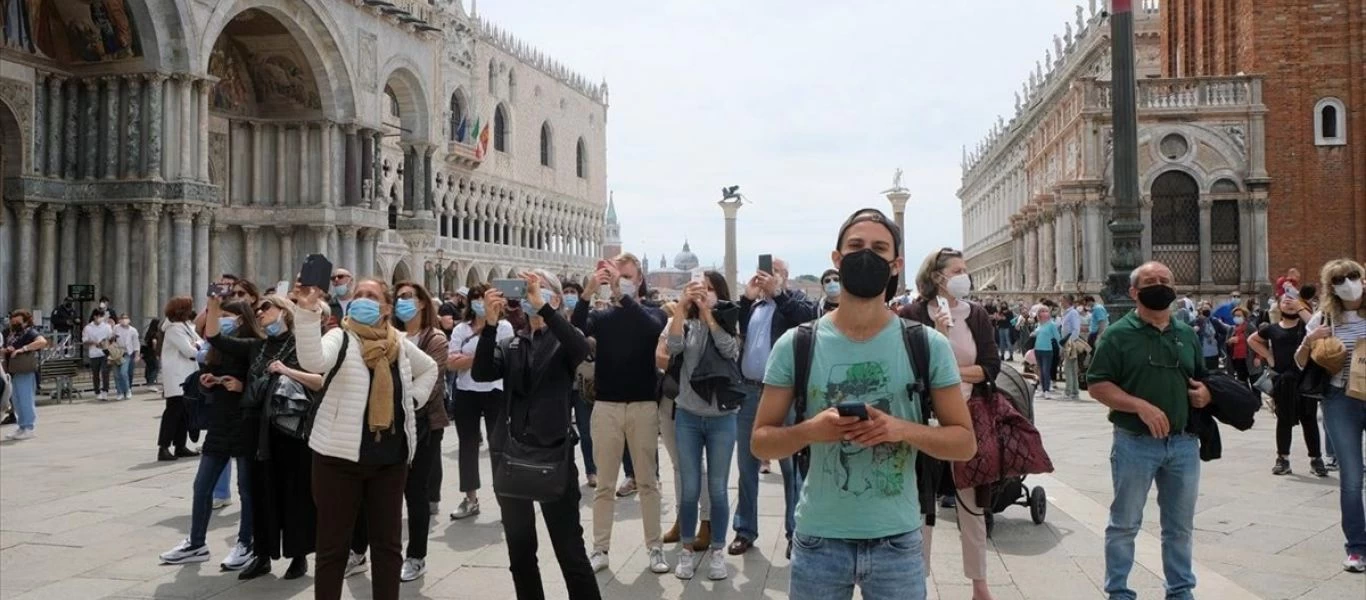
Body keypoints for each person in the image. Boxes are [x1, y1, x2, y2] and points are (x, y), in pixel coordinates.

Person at [751, 208, 976, 600]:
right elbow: (761, 441)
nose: (866, 254)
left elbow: (964, 442)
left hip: (898, 541)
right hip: (819, 539)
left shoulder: (927, 344)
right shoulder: (797, 344)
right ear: (837, 260)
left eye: (879, 248)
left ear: (896, 264)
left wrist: (900, 429)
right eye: (855, 247)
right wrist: (811, 431)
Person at [291, 279, 439, 600]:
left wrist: (412, 400)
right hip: (337, 460)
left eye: (371, 296)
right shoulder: (340, 337)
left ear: (386, 308)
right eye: (358, 295)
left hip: (389, 460)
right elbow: (314, 362)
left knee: (388, 547)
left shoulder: (398, 345)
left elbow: (429, 369)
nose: (363, 300)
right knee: (332, 548)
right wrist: (305, 313)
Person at [1086, 261, 1212, 600]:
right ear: (1133, 292)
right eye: (1150, 281)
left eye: (1165, 280)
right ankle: (1119, 592)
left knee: (1180, 527)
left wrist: (1206, 394)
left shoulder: (1185, 333)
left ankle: (1181, 590)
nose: (1159, 285)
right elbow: (1097, 384)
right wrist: (1139, 405)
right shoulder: (1117, 335)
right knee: (1124, 523)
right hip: (1135, 443)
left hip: (1183, 443)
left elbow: (1202, 377)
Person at [473, 271, 601, 600]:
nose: (531, 295)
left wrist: (543, 308)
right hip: (512, 455)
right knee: (521, 555)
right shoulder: (510, 342)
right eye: (527, 290)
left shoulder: (566, 341)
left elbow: (579, 348)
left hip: (553, 457)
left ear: (554, 300)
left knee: (571, 553)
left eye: (540, 289)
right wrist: (488, 325)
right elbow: (482, 372)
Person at [900, 247, 1001, 600]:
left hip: (969, 414)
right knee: (922, 502)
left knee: (971, 502)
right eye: (957, 270)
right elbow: (910, 369)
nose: (964, 276)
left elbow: (990, 367)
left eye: (965, 269)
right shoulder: (912, 315)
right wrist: (939, 339)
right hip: (924, 419)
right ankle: (917, 581)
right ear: (937, 277)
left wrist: (950, 371)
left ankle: (979, 584)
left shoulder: (977, 315)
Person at [207, 295, 319, 581]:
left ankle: (298, 556)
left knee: (293, 491)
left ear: (284, 310)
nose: (260, 313)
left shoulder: (300, 344)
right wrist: (213, 304)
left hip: (290, 427)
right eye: (257, 311)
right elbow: (216, 337)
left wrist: (284, 369)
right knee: (259, 491)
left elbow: (316, 377)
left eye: (266, 308)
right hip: (256, 427)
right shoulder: (258, 345)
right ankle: (263, 555)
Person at [571, 253, 670, 575]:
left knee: (648, 483)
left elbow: (652, 328)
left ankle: (655, 547)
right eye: (616, 276)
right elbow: (575, 331)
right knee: (605, 485)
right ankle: (600, 549)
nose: (620, 282)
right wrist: (587, 293)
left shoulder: (650, 312)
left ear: (639, 280)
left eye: (627, 277)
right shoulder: (603, 316)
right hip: (607, 407)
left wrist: (623, 295)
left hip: (642, 406)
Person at [351, 281, 449, 583]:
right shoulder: (385, 335)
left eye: (409, 297)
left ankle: (416, 556)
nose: (404, 302)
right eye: (400, 297)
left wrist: (399, 401)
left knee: (415, 492)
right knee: (368, 492)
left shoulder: (435, 339)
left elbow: (431, 383)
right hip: (381, 425)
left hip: (423, 425)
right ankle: (358, 551)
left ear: (421, 303)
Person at [157, 300, 262, 571]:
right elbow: (208, 373)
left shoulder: (253, 344)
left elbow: (262, 383)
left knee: (247, 489)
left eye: (225, 316)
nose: (220, 320)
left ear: (240, 319)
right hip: (220, 423)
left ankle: (246, 542)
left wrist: (242, 385)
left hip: (245, 423)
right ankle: (196, 543)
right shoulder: (215, 348)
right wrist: (208, 383)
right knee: (202, 486)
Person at [732, 256, 818, 558]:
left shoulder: (794, 302)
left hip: (784, 394)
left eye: (775, 273)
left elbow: (805, 321)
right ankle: (745, 529)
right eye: (765, 273)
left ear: (785, 276)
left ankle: (796, 532)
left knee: (791, 466)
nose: (768, 278)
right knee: (746, 464)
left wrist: (779, 294)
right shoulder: (755, 306)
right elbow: (735, 327)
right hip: (750, 391)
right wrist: (746, 297)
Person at [663, 272, 740, 580]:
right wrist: (682, 308)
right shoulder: (686, 322)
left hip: (722, 417)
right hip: (688, 416)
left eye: (709, 289)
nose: (703, 293)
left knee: (718, 488)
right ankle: (686, 551)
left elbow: (729, 350)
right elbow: (673, 347)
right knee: (690, 487)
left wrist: (709, 314)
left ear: (719, 293)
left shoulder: (729, 320)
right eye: (699, 289)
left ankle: (718, 551)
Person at [1299, 259, 1366, 573]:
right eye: (1340, 278)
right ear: (1331, 286)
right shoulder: (1323, 317)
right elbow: (1299, 362)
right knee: (1351, 478)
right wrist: (1311, 340)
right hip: (1340, 401)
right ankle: (1356, 548)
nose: (1348, 282)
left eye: (1354, 276)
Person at [447, 284, 514, 521]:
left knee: (498, 446)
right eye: (475, 298)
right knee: (467, 446)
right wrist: (483, 359)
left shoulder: (504, 327)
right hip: (467, 391)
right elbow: (451, 363)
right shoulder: (461, 329)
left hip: (495, 391)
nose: (478, 302)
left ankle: (504, 499)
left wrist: (469, 359)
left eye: (483, 298)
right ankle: (470, 498)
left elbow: (504, 361)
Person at [1248, 295, 1325, 477]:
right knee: (1283, 421)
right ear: (1278, 307)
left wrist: (1300, 308)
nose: (1289, 304)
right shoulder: (1272, 329)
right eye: (1285, 301)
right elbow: (1252, 340)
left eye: (1293, 301)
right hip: (1283, 380)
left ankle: (1316, 458)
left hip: (1305, 379)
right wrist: (1268, 356)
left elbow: (1317, 324)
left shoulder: (1306, 327)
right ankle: (1283, 458)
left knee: (1309, 420)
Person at [561, 281, 597, 487]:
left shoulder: (589, 318)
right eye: (565, 292)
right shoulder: (555, 318)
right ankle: (565, 469)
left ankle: (591, 470)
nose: (569, 295)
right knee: (562, 429)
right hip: (563, 384)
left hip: (583, 383)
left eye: (572, 292)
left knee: (586, 430)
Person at [157, 298, 201, 461]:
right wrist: (196, 346)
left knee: (184, 412)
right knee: (173, 412)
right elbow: (189, 350)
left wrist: (197, 345)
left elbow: (200, 342)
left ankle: (180, 445)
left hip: (186, 374)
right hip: (177, 375)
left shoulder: (185, 327)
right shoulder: (174, 329)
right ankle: (164, 447)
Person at [3, 310, 48, 441]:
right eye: (13, 321)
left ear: (26, 322)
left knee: (25, 399)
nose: (15, 324)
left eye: (18, 322)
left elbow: (42, 342)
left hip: (24, 370)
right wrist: (7, 350)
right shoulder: (10, 334)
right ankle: (21, 426)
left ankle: (29, 427)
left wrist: (23, 349)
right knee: (16, 400)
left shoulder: (30, 333)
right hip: (12, 370)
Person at [82, 309, 114, 400]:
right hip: (94, 353)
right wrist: (94, 342)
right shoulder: (88, 328)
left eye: (102, 316)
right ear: (95, 316)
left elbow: (111, 337)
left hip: (105, 352)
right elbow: (84, 340)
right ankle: (97, 391)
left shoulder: (107, 326)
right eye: (100, 316)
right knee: (95, 373)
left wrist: (108, 342)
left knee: (105, 372)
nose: (101, 318)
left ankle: (105, 390)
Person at [1059, 295, 1083, 401]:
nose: (1061, 303)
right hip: (1066, 342)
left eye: (1062, 301)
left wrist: (1070, 342)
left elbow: (1076, 329)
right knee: (1071, 367)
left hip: (1070, 343)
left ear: (1067, 301)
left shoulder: (1073, 313)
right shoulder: (1066, 313)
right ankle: (1074, 391)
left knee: (1068, 367)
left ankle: (1069, 391)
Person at [112, 314, 141, 400]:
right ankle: (119, 392)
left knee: (123, 372)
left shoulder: (133, 330)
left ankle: (127, 390)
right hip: (116, 352)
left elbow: (136, 344)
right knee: (116, 374)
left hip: (127, 353)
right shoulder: (116, 328)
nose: (124, 320)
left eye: (126, 318)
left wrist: (137, 355)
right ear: (119, 320)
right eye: (122, 318)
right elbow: (111, 338)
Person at [1032, 308, 1060, 398]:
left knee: (1046, 370)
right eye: (1040, 314)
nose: (1042, 315)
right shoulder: (1039, 325)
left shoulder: (1052, 325)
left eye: (1044, 312)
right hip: (1038, 349)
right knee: (1040, 370)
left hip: (1047, 350)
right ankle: (1042, 389)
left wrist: (1062, 348)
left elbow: (1057, 337)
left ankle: (1047, 390)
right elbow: (1037, 334)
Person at [144, 317, 163, 387]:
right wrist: (157, 352)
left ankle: (148, 380)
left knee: (149, 367)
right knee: (155, 367)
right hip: (153, 353)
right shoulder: (155, 333)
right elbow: (154, 342)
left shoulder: (148, 332)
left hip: (147, 352)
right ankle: (151, 382)